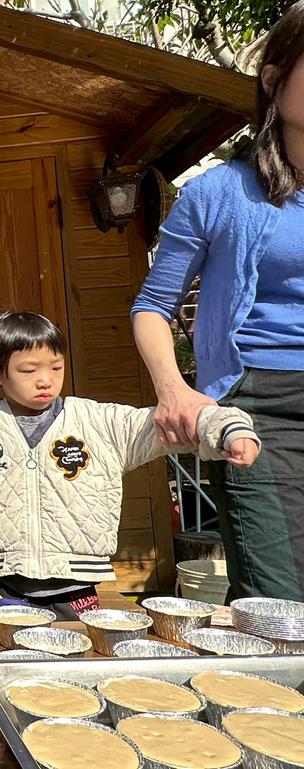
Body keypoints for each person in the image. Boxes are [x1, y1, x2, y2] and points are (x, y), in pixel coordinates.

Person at [131, 3, 304, 601]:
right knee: (280, 604)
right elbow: (152, 306)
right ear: (273, 79)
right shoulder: (219, 193)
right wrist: (175, 391)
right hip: (258, 408)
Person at [0, 313, 260, 619]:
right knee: (10, 655)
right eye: (28, 370)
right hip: (3, 586)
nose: (45, 380)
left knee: (79, 652)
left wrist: (227, 429)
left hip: (77, 588)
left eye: (56, 367)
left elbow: (175, 419)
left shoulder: (98, 423)